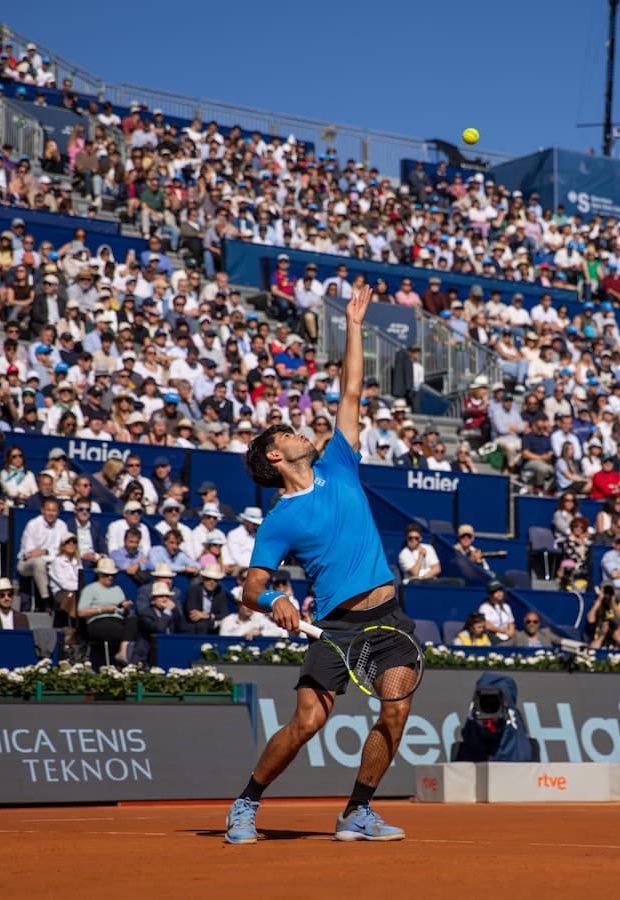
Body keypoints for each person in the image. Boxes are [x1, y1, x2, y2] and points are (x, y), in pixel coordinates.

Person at [225, 284, 413, 844]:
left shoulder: (341, 464)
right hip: (335, 629)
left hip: (390, 617)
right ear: (276, 457)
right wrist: (273, 599)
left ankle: (357, 811)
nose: (300, 428)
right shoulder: (280, 518)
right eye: (286, 432)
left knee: (395, 715)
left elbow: (351, 392)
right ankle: (246, 802)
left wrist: (354, 326)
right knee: (308, 723)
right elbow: (249, 587)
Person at [77, 557, 136, 669]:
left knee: (134, 620)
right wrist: (102, 610)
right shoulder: (90, 589)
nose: (110, 577)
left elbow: (123, 611)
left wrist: (126, 607)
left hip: (117, 619)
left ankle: (123, 652)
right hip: (98, 621)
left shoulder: (117, 589)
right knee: (114, 629)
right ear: (99, 574)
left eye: (113, 575)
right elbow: (81, 612)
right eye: (107, 574)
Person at [17, 497, 70, 613]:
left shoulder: (62, 526)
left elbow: (63, 551)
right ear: (43, 510)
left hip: (51, 562)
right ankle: (46, 600)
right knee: (39, 563)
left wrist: (45, 551)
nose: (51, 514)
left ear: (58, 512)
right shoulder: (33, 525)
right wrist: (51, 552)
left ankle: (63, 602)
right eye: (48, 510)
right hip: (26, 564)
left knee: (63, 563)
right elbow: (30, 553)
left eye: (54, 511)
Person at [218, 602, 284, 640]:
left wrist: (259, 633)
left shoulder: (258, 619)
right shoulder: (228, 620)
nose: (249, 608)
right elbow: (223, 639)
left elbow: (278, 631)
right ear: (239, 606)